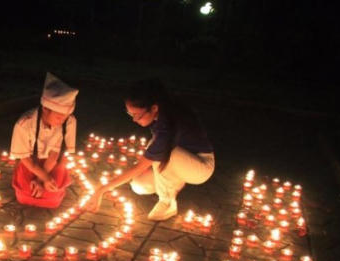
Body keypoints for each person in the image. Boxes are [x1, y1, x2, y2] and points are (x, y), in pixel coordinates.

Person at [85, 78, 215, 220]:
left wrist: (101, 190)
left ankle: (167, 203)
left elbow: (141, 165)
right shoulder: (161, 115)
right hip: (179, 162)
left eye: (137, 115)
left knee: (160, 151)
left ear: (154, 108)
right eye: (130, 114)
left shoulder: (169, 124)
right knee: (139, 185)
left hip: (200, 167)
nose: (134, 120)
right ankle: (174, 183)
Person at [11, 72, 78, 208]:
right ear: (46, 109)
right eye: (59, 117)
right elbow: (24, 158)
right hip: (31, 163)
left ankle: (52, 188)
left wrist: (42, 180)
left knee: (52, 196)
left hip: (54, 163)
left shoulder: (70, 122)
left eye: (65, 117)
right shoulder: (24, 124)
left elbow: (56, 155)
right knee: (26, 194)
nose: (62, 121)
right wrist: (44, 177)